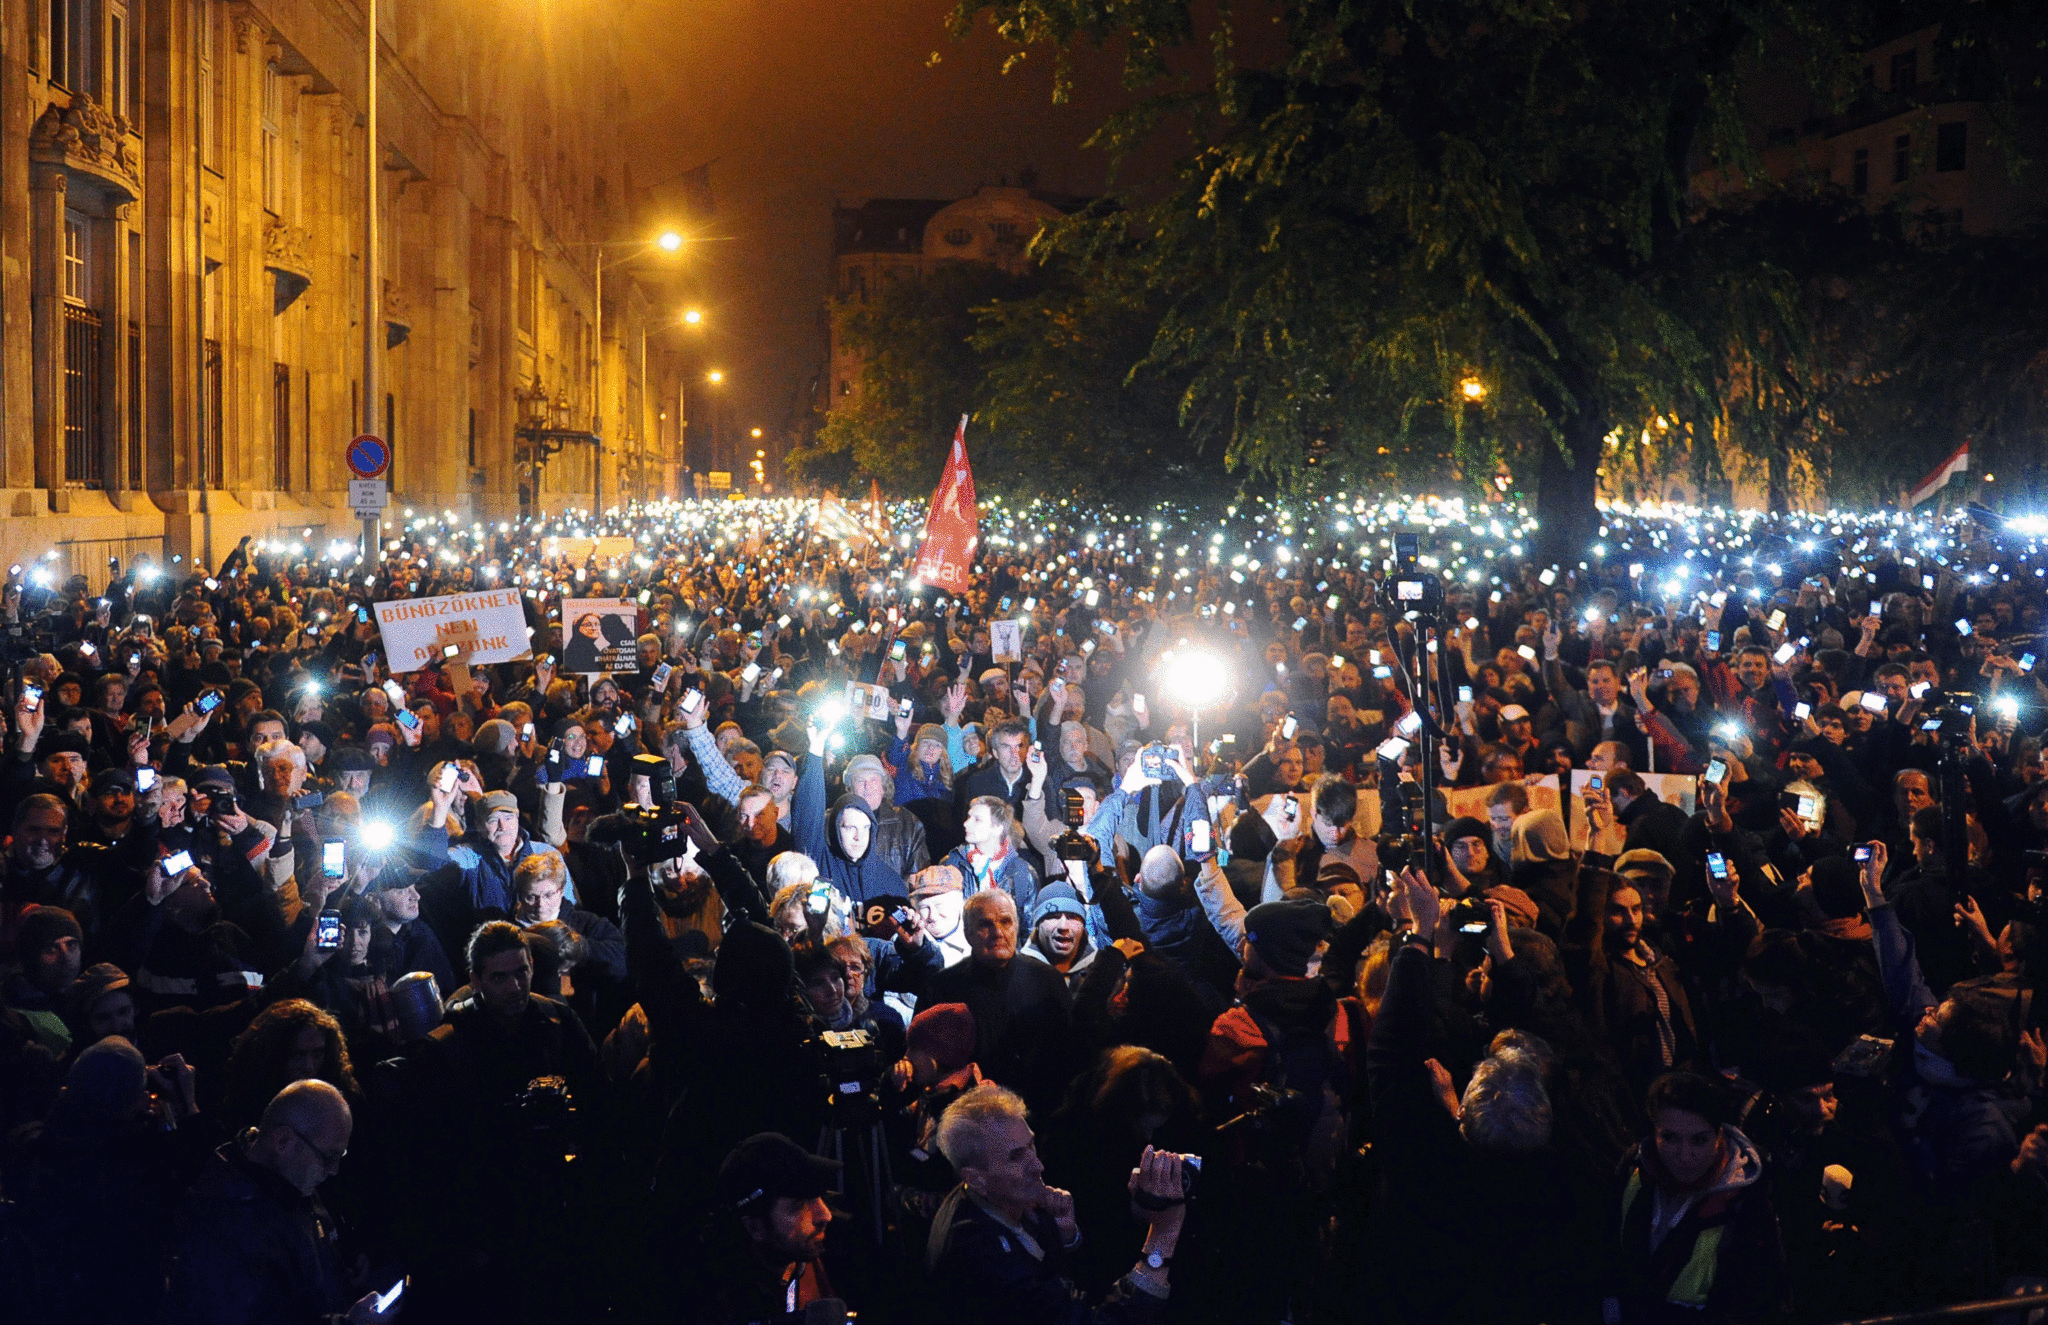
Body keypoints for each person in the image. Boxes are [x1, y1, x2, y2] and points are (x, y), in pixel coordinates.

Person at [926, 1081, 1193, 1324]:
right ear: (976, 1178)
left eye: (1030, 1146)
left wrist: (1068, 1239)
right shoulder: (983, 1256)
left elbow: (1074, 1294)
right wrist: (1163, 1235)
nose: (1038, 1165)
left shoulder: (999, 1201)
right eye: (1016, 1157)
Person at [165, 1079, 394, 1325]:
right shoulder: (225, 1224)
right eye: (329, 1157)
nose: (334, 1170)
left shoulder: (289, 1182)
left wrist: (339, 1274)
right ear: (283, 1141)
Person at [1606, 1071, 1786, 1325]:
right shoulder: (1634, 1171)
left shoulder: (1746, 1200)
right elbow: (1608, 1250)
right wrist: (1610, 1306)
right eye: (1669, 1138)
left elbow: (1755, 1303)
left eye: (1699, 1140)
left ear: (1719, 1135)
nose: (1685, 1155)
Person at [925, 890, 1075, 1109]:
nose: (998, 932)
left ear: (1016, 926)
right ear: (968, 933)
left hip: (1042, 1114)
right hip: (971, 1116)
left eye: (1006, 922)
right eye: (985, 925)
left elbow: (1068, 1054)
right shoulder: (941, 988)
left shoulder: (1048, 980)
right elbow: (929, 1064)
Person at [690, 1132, 851, 1325]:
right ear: (755, 1227)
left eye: (819, 1195)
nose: (825, 1215)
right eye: (800, 1204)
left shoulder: (842, 1249)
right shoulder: (713, 1301)